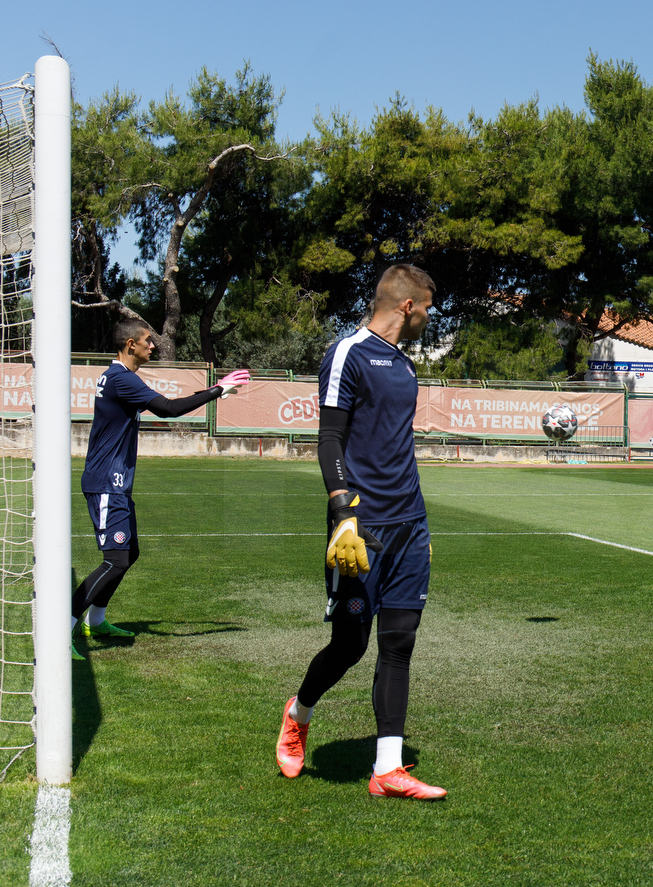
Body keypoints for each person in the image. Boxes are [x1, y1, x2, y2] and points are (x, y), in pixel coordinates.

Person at [275, 264, 446, 799]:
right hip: (360, 527)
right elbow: (329, 440)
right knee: (349, 645)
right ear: (407, 306)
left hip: (408, 525)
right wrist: (343, 511)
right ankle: (298, 714)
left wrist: (419, 525)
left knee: (399, 641)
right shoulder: (347, 352)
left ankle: (387, 770)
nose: (429, 318)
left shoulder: (404, 365)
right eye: (428, 308)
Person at [73, 317, 247, 653]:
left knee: (129, 553)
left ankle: (95, 622)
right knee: (115, 560)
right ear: (131, 346)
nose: (153, 345)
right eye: (147, 340)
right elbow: (168, 409)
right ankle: (62, 628)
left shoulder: (120, 378)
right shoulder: (121, 378)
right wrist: (218, 390)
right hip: (106, 483)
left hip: (115, 482)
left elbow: (167, 405)